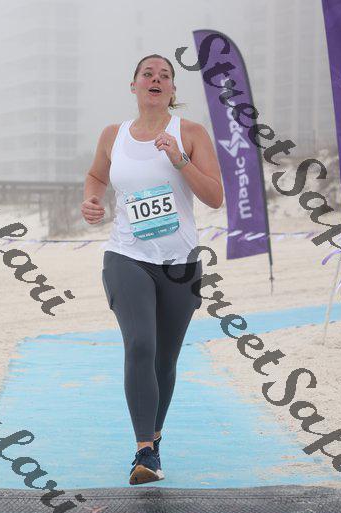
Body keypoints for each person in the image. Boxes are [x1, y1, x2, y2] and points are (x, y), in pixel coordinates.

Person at [82, 54, 223, 485]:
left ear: (173, 90)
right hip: (126, 256)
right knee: (140, 344)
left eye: (165, 76)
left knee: (165, 358)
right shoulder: (113, 134)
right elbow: (96, 176)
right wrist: (91, 200)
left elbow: (215, 197)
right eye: (148, 74)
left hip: (180, 265)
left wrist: (180, 160)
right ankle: (143, 448)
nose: (156, 80)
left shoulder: (190, 134)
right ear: (134, 85)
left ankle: (154, 442)